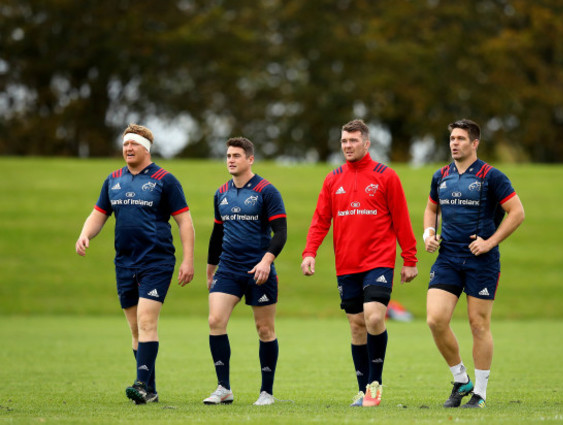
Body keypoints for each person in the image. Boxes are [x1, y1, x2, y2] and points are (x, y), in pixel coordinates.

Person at [301, 119, 418, 407]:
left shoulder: (386, 176)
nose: (348, 146)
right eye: (344, 141)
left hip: (378, 261)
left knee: (374, 317)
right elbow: (320, 220)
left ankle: (375, 386)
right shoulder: (332, 178)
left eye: (353, 141)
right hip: (347, 264)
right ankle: (362, 389)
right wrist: (309, 252)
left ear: (367, 143)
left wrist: (410, 259)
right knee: (356, 325)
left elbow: (402, 220)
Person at [75, 123, 195, 404]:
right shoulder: (113, 179)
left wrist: (188, 261)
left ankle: (140, 383)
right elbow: (98, 214)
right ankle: (149, 390)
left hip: (157, 261)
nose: (128, 149)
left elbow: (184, 222)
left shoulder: (165, 180)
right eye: (125, 144)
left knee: (146, 321)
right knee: (134, 328)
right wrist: (85, 234)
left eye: (134, 145)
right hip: (124, 263)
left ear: (146, 149)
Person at [423, 119, 525, 409]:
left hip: (482, 261)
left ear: (475, 143)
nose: (454, 143)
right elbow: (431, 209)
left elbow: (517, 212)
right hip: (448, 258)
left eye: (461, 139)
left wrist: (490, 242)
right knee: (435, 319)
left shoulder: (492, 176)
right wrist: (429, 234)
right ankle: (461, 378)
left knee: (478, 325)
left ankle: (479, 393)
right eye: (452, 138)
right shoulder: (440, 175)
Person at [203, 137, 287, 406]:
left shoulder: (267, 191)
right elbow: (217, 234)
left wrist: (266, 261)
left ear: (250, 159)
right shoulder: (221, 193)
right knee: (216, 321)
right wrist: (209, 269)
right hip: (227, 269)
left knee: (264, 329)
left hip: (258, 270)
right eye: (228, 155)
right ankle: (223, 388)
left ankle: (266, 392)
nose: (230, 159)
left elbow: (281, 232)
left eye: (236, 155)